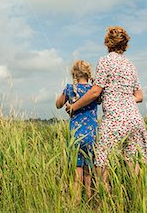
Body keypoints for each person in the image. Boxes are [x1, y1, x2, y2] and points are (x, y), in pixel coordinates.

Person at [66, 26, 147, 189]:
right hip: (134, 118)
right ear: (124, 44)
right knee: (132, 160)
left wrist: (74, 107)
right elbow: (139, 96)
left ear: (107, 42)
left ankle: (104, 199)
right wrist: (123, 98)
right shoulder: (131, 66)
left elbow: (95, 91)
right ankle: (138, 198)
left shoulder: (105, 61)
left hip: (114, 118)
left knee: (101, 159)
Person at [56, 60, 98, 202]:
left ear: (74, 73)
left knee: (76, 173)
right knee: (88, 172)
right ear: (88, 73)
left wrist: (68, 101)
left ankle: (76, 202)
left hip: (76, 136)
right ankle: (89, 200)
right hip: (91, 135)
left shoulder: (69, 89)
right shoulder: (94, 90)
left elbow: (58, 104)